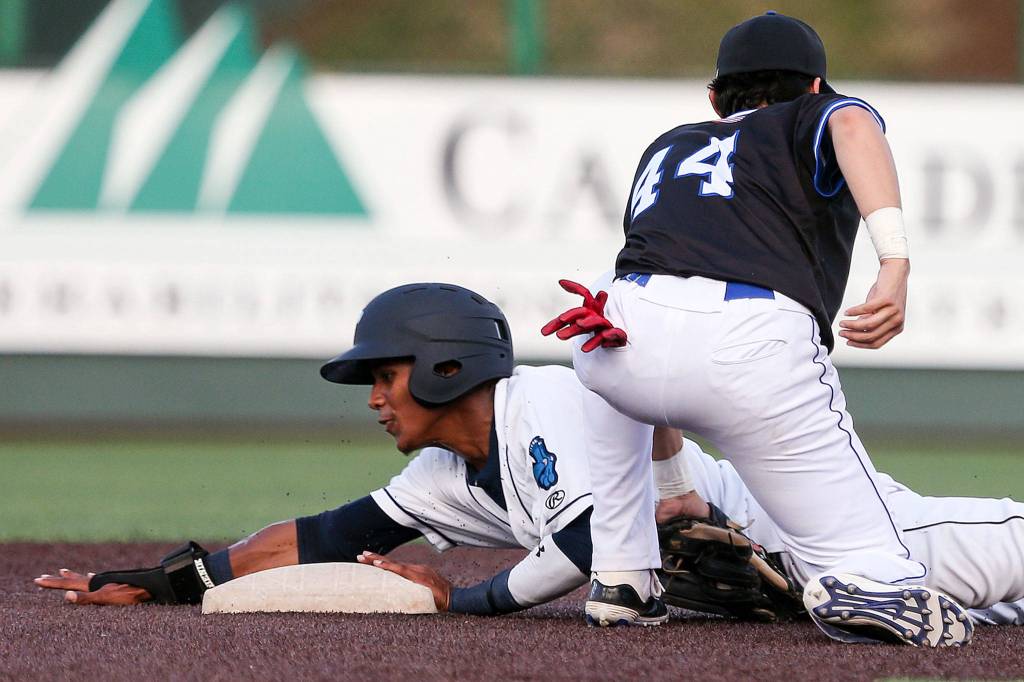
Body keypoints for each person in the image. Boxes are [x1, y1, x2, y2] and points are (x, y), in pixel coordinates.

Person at [34, 284, 1024, 643]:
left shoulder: (553, 399)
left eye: (383, 375)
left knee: (999, 551)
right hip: (781, 591)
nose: (373, 397)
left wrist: (457, 603)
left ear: (443, 364)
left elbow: (593, 545)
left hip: (818, 532)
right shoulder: (445, 476)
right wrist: (174, 578)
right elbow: (327, 536)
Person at [541, 11, 973, 646]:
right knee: (875, 559)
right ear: (818, 88)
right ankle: (863, 579)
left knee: (609, 343)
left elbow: (670, 324)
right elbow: (852, 124)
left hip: (619, 332)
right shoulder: (814, 115)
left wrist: (676, 483)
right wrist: (896, 261)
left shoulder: (667, 143)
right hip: (749, 342)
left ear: (715, 99)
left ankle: (622, 575)